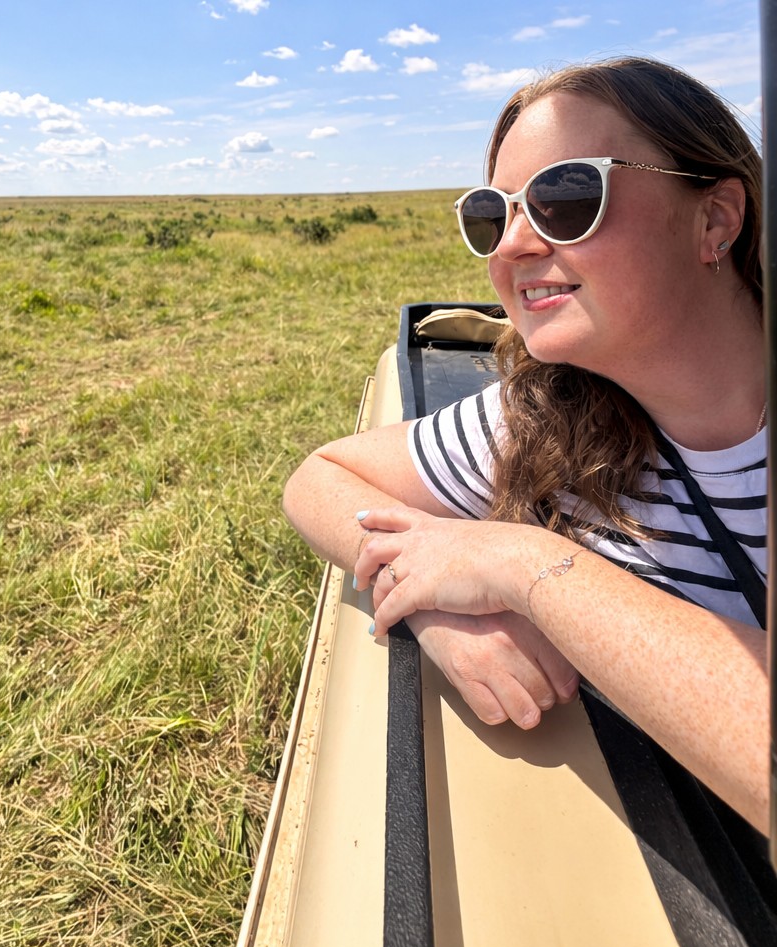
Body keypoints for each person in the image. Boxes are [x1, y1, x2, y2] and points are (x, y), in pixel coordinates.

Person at [282, 57, 769, 837]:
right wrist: (435, 604)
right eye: (490, 213)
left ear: (715, 219)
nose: (507, 247)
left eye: (566, 198)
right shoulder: (555, 415)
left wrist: (520, 566)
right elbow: (320, 478)